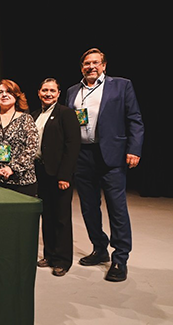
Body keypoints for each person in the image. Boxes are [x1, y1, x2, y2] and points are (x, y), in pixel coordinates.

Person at [65, 48, 144, 282]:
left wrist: (134, 149)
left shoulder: (121, 85)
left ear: (104, 65)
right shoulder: (72, 91)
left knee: (117, 208)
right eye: (87, 63)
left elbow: (135, 120)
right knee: (89, 207)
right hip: (83, 155)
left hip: (112, 155)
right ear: (81, 67)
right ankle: (99, 248)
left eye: (96, 63)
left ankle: (120, 258)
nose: (91, 66)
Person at [31, 78, 81, 277]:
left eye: (52, 90)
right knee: (47, 215)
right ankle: (49, 255)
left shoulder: (66, 113)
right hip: (40, 172)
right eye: (44, 90)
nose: (48, 93)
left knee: (61, 217)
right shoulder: (34, 115)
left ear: (59, 93)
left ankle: (62, 260)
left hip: (59, 174)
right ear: (39, 92)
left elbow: (73, 145)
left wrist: (65, 175)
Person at [0, 79, 38, 197]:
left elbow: (32, 147)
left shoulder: (26, 119)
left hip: (22, 181)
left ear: (16, 96)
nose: (4, 95)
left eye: (9, 92)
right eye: (0, 92)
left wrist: (13, 168)